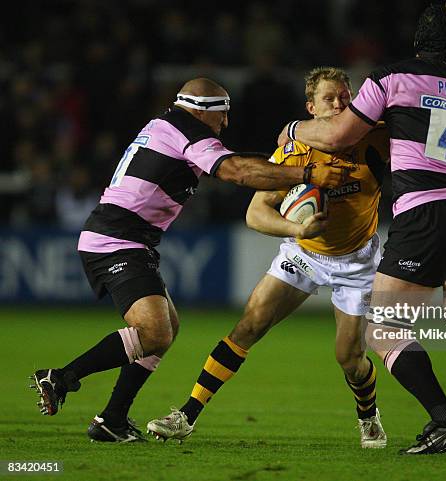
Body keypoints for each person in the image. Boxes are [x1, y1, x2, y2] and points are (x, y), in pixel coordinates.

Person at [277, 4, 446, 454]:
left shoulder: (392, 78)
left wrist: (292, 128)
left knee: (383, 329)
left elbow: (337, 136)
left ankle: (445, 420)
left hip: (425, 214)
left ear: (417, 38)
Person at [30, 77, 345, 443]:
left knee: (165, 332)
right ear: (204, 110)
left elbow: (236, 164)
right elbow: (237, 172)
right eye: (223, 115)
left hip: (128, 239)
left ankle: (112, 420)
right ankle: (62, 377)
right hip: (116, 238)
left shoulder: (167, 125)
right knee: (154, 332)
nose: (225, 124)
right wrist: (306, 173)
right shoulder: (186, 130)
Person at [146, 67, 390, 448]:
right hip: (304, 253)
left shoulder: (376, 138)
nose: (341, 104)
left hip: (356, 263)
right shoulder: (295, 152)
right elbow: (255, 213)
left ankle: (368, 413)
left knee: (349, 360)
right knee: (248, 326)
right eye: (330, 99)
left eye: (346, 97)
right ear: (311, 107)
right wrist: (297, 230)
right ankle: (187, 414)